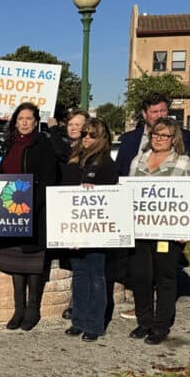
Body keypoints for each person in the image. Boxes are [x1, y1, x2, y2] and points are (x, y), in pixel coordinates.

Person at [127, 118, 190, 345]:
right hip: (140, 230)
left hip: (168, 232)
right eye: (155, 134)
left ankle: (161, 325)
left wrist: (187, 230)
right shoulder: (139, 159)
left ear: (173, 139)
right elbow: (128, 192)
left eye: (164, 135)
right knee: (141, 277)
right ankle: (144, 321)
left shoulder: (184, 163)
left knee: (164, 277)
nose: (158, 139)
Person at [0, 102, 59, 331]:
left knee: (33, 262)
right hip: (11, 209)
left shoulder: (43, 143)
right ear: (15, 122)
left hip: (35, 209)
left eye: (29, 118)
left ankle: (33, 308)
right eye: (20, 118)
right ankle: (18, 309)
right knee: (15, 261)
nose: (24, 123)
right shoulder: (9, 143)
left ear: (36, 122)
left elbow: (50, 178)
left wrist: (32, 205)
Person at [61, 118, 119, 342]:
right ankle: (79, 321)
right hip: (74, 225)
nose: (86, 138)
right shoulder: (75, 158)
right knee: (79, 276)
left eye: (92, 134)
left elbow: (110, 196)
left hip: (95, 229)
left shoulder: (105, 163)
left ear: (101, 137)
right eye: (84, 133)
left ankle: (94, 324)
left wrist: (94, 191)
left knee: (96, 276)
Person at [54, 109, 90, 320]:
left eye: (79, 124)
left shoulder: (87, 149)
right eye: (71, 124)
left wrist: (52, 128)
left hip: (83, 210)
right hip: (64, 209)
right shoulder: (66, 147)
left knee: (83, 261)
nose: (74, 128)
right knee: (73, 261)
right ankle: (77, 301)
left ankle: (79, 304)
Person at [115, 92, 190, 177]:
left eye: (163, 111)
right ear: (144, 114)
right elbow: (119, 172)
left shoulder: (185, 136)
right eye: (154, 112)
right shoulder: (128, 139)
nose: (159, 115)